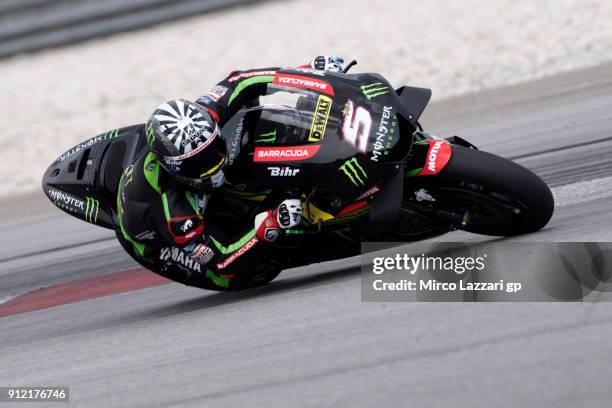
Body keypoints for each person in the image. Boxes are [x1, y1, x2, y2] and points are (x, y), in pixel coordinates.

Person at [116, 56, 345, 290]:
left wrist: (310, 74)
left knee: (244, 118)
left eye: (213, 149)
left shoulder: (203, 117)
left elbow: (241, 80)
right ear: (174, 168)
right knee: (246, 274)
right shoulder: (177, 212)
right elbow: (221, 262)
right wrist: (270, 224)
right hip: (160, 243)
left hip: (191, 186)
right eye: (199, 164)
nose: (214, 164)